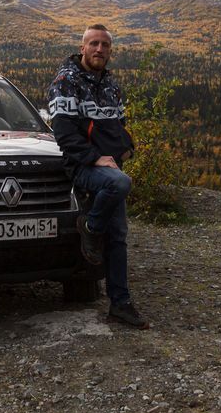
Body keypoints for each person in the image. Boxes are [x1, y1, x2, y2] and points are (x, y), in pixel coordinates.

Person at [46, 24, 147, 329]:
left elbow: (118, 126)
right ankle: (90, 226)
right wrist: (95, 158)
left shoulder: (111, 85)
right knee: (120, 184)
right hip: (83, 167)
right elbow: (63, 133)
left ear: (110, 50)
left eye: (104, 45)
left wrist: (126, 148)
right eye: (94, 44)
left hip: (110, 166)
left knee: (118, 236)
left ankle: (120, 303)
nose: (99, 49)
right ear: (82, 47)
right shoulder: (66, 82)